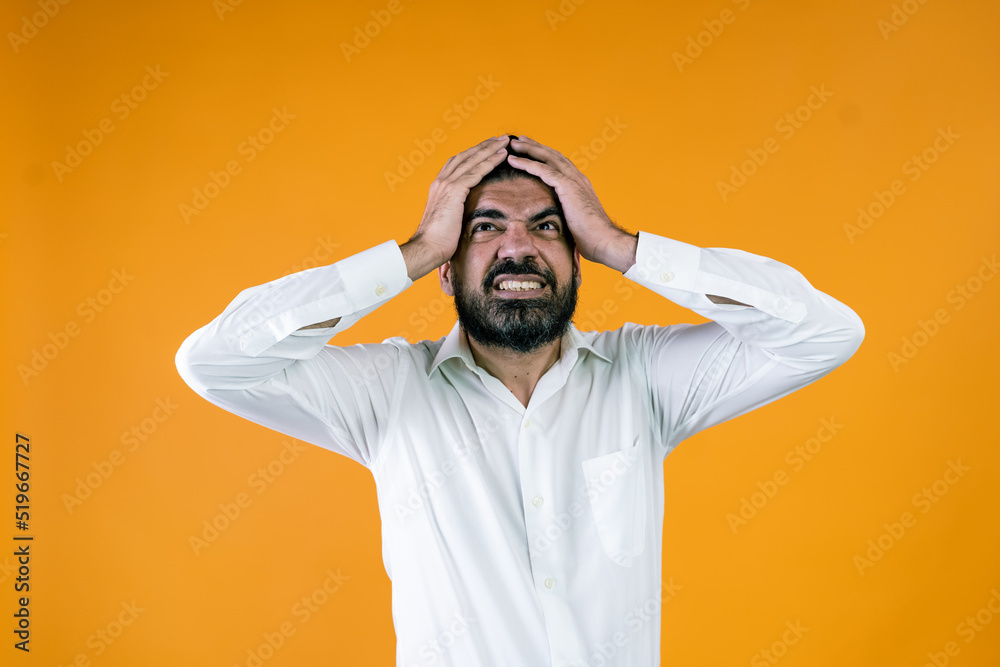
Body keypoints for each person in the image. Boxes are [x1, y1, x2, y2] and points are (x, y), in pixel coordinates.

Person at [175, 134, 865, 666]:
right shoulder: (388, 392)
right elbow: (214, 361)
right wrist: (412, 251)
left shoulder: (644, 376)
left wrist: (623, 245)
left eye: (546, 226)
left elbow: (826, 333)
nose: (518, 247)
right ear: (447, 269)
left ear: (578, 258)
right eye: (484, 227)